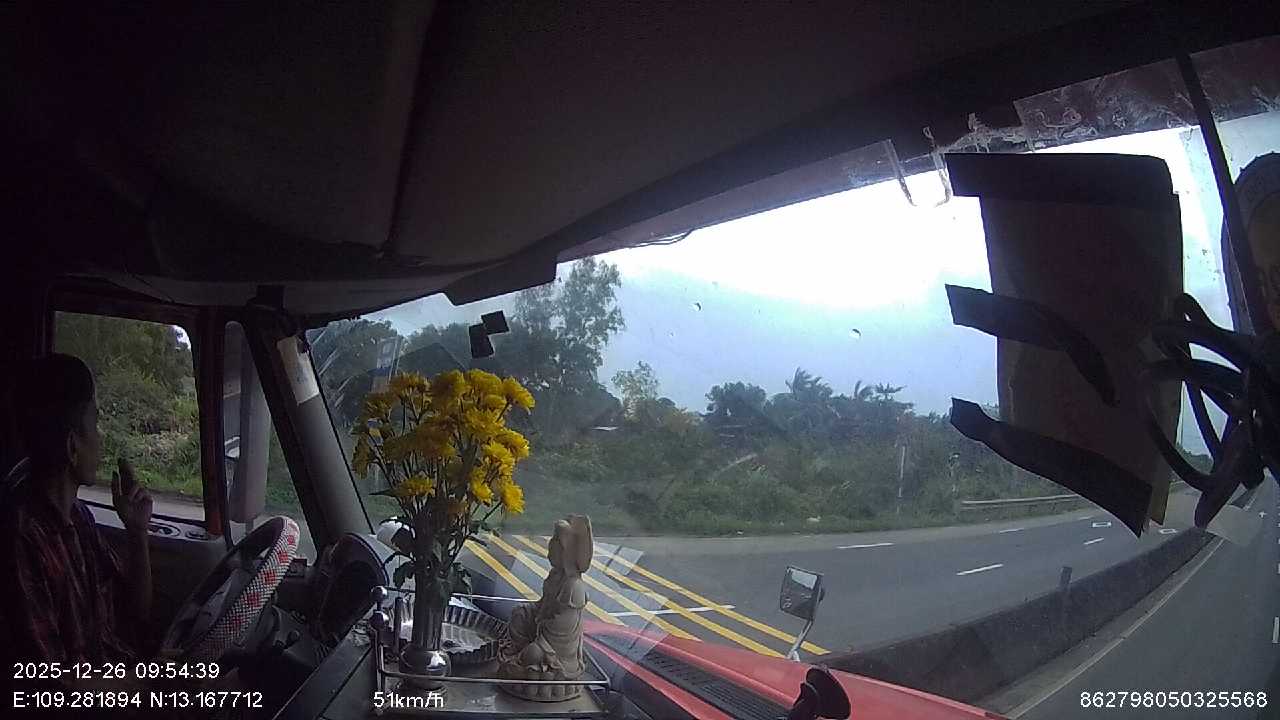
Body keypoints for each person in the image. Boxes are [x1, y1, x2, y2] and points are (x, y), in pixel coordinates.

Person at [0, 353, 154, 667]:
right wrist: (151, 681)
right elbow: (53, 682)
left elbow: (136, 611)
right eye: (95, 425)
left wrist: (137, 532)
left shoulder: (79, 517)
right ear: (73, 446)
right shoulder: (23, 540)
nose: (101, 438)